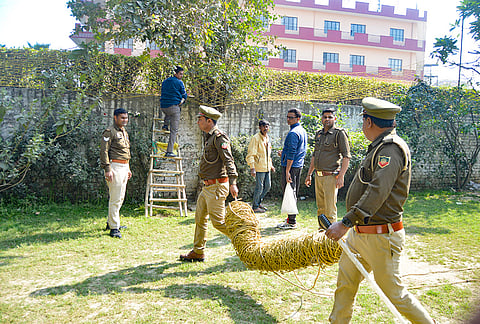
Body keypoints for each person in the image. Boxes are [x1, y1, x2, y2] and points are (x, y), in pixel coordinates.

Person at [325, 97, 434, 324]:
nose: (362, 124)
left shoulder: (390, 150)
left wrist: (345, 223)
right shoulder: (380, 147)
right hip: (361, 233)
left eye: (363, 119)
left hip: (380, 236)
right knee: (345, 284)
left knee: (395, 294)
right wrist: (351, 225)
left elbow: (377, 192)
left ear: (369, 122)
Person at [180, 105, 238, 262]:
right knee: (199, 219)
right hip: (207, 188)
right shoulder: (209, 137)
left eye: (200, 119)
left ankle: (244, 238)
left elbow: (229, 160)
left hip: (217, 186)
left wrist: (233, 182)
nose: (198, 121)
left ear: (209, 121)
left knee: (218, 222)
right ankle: (198, 252)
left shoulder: (220, 138)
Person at [305, 109, 351, 229]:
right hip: (318, 176)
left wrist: (341, 176)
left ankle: (330, 238)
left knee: (330, 209)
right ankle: (321, 234)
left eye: (330, 117)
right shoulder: (319, 134)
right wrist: (309, 174)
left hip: (331, 176)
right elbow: (314, 155)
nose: (327, 119)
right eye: (325, 117)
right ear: (321, 119)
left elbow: (346, 156)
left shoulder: (339, 134)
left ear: (334, 119)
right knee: (321, 208)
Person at [100, 108, 133, 239]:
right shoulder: (110, 131)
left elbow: (126, 152)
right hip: (115, 167)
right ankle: (114, 228)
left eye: (126, 118)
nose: (125, 120)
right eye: (122, 118)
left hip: (124, 167)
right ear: (115, 118)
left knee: (120, 197)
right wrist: (107, 169)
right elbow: (104, 151)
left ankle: (111, 222)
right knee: (115, 198)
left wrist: (128, 168)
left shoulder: (124, 132)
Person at [276, 108, 307, 229]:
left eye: (291, 117)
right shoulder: (301, 131)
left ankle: (291, 221)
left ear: (298, 118)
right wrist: (283, 153)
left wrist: (287, 170)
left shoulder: (293, 133)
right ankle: (290, 218)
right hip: (297, 166)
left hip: (291, 167)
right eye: (287, 117)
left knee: (289, 192)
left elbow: (293, 153)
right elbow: (297, 150)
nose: (288, 119)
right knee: (292, 191)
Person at [246, 120, 275, 213]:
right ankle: (255, 206)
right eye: (264, 127)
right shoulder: (255, 138)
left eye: (267, 126)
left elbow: (268, 154)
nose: (266, 128)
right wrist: (252, 168)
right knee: (259, 187)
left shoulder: (267, 138)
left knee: (268, 186)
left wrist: (271, 165)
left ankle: (258, 202)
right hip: (258, 167)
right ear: (260, 128)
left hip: (266, 167)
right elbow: (251, 154)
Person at [160, 66, 187, 158]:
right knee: (174, 131)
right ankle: (169, 151)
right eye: (180, 74)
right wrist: (183, 99)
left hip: (163, 106)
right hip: (174, 107)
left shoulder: (165, 81)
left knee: (168, 113)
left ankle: (165, 125)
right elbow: (184, 94)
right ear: (175, 73)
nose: (181, 76)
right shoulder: (179, 82)